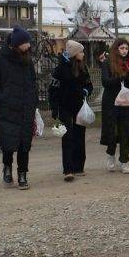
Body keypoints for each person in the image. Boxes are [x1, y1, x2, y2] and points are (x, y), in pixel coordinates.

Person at [0, 25, 39, 190]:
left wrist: (33, 102)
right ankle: (7, 168)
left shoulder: (27, 60)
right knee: (8, 143)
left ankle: (22, 173)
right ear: (16, 44)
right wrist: (1, 98)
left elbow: (33, 82)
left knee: (24, 144)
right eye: (25, 43)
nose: (28, 46)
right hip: (7, 109)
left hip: (25, 108)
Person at [49, 40, 93, 181]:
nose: (83, 54)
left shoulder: (83, 68)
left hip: (79, 107)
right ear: (74, 54)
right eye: (80, 51)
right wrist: (54, 108)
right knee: (67, 137)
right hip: (65, 106)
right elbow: (53, 89)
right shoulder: (60, 69)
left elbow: (89, 84)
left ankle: (79, 166)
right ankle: (68, 169)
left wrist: (86, 91)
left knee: (80, 135)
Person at [98, 38, 129, 174]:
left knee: (125, 131)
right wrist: (120, 77)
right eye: (121, 48)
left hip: (126, 103)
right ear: (116, 49)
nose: (124, 51)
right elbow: (105, 82)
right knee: (112, 131)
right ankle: (111, 155)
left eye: (126, 48)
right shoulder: (108, 63)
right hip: (112, 102)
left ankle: (124, 161)